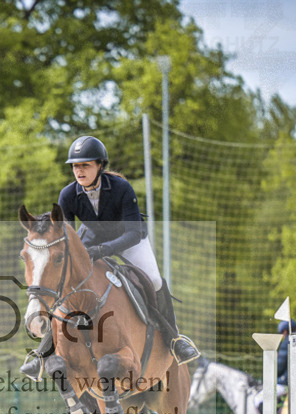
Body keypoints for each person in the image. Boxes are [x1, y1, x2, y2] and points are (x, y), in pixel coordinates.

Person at [21, 135, 199, 380]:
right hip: (92, 239)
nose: (79, 171)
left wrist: (103, 250)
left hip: (128, 238)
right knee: (66, 281)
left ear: (99, 166)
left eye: (85, 165)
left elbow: (134, 232)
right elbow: (66, 236)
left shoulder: (121, 188)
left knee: (156, 281)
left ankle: (174, 339)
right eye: (75, 166)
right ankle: (43, 351)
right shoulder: (68, 195)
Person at [276, 318, 296, 386]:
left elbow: (279, 367)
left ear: (285, 331)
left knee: (260, 396)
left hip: (287, 381)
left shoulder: (286, 343)